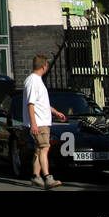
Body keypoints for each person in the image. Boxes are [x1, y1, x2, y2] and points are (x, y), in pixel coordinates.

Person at [23, 54, 67, 189]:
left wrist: (55, 112)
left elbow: (41, 103)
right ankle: (47, 177)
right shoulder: (33, 81)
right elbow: (30, 104)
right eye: (47, 65)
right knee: (44, 148)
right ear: (44, 66)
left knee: (38, 150)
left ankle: (35, 176)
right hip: (39, 122)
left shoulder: (36, 81)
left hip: (42, 121)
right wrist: (34, 123)